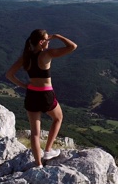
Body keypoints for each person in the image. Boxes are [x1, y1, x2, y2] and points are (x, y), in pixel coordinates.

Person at [6, 29, 77, 168]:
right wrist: (58, 36)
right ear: (41, 42)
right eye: (47, 39)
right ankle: (48, 151)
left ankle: (38, 165)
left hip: (31, 94)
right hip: (45, 94)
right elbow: (72, 46)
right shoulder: (46, 54)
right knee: (58, 118)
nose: (49, 42)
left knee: (35, 133)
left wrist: (24, 85)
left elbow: (9, 74)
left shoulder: (25, 57)